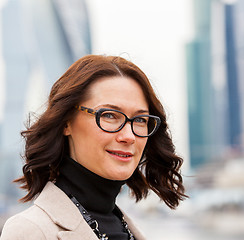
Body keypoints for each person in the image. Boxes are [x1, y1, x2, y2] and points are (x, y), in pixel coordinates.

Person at [0, 55, 187, 240]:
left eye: (139, 119)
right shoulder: (30, 231)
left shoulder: (130, 230)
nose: (129, 136)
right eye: (110, 115)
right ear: (66, 122)